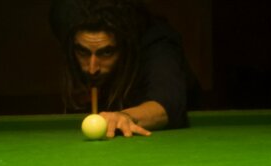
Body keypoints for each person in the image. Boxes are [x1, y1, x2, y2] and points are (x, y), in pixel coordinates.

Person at [49, 0, 201, 138]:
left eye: (107, 52)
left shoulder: (156, 43)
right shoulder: (65, 20)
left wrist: (125, 116)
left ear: (126, 46)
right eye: (83, 51)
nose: (92, 68)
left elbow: (167, 104)